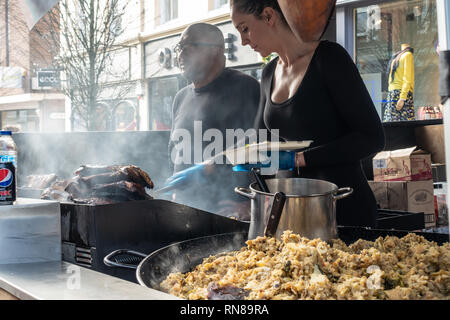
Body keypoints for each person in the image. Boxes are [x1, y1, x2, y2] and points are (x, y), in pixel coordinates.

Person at [230, 0, 385, 227]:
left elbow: (372, 138)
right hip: (290, 210)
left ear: (269, 16)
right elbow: (261, 139)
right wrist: (220, 157)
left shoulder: (329, 58)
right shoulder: (268, 73)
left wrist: (300, 159)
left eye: (244, 29)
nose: (243, 41)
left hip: (341, 207)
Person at [165, 23, 260, 219]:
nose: (179, 54)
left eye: (186, 46)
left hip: (227, 217)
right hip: (184, 214)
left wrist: (255, 205)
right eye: (178, 48)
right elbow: (175, 152)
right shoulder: (180, 98)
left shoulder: (246, 88)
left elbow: (265, 149)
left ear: (214, 50)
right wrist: (174, 191)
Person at [383, 44, 415, 122]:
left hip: (393, 94)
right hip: (401, 94)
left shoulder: (397, 57)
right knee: (406, 124)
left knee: (391, 123)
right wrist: (403, 98)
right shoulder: (407, 55)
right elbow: (407, 78)